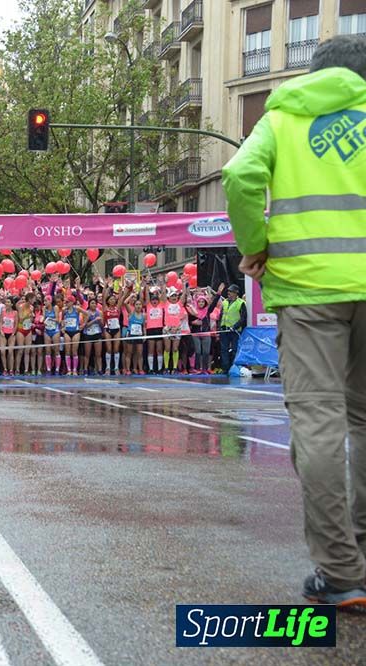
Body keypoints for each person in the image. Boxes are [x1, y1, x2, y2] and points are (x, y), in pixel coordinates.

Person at [222, 34, 366, 608]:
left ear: (314, 72)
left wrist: (255, 246)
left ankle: (340, 571)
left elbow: (237, 179)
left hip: (308, 289)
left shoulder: (283, 116)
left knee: (320, 419)